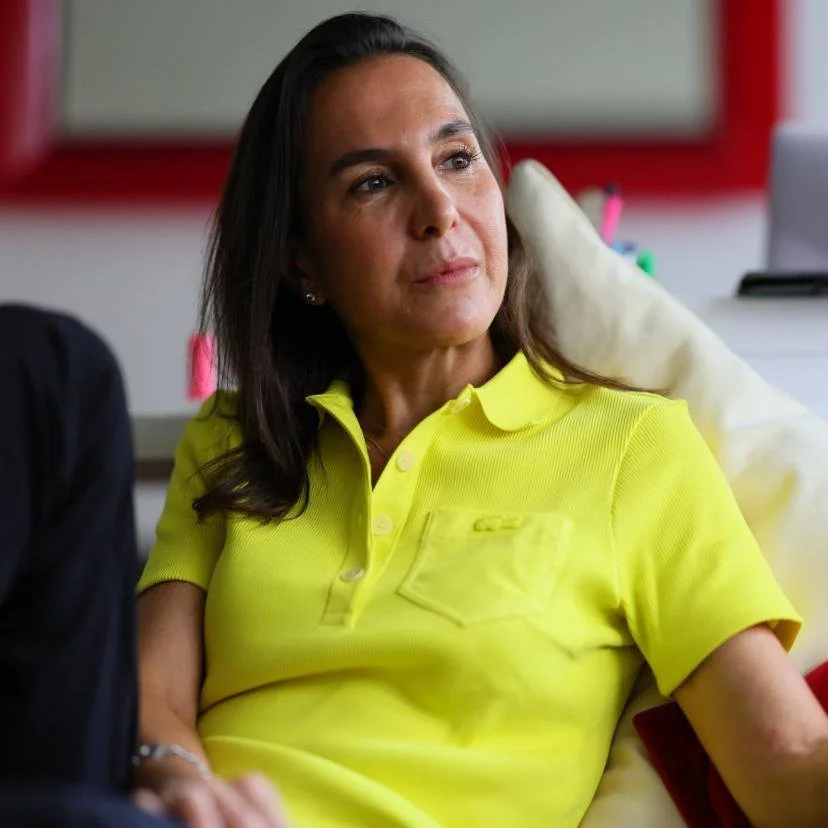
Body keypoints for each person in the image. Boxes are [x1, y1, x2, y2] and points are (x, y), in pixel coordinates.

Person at [135, 12, 828, 828]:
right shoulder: (235, 432)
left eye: (458, 160)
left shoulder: (632, 445)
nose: (440, 209)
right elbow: (149, 699)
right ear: (302, 261)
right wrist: (179, 782)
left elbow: (782, 764)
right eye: (373, 182)